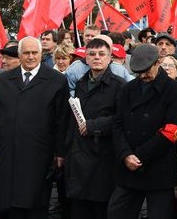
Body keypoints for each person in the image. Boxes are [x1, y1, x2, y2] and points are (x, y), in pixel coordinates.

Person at [0, 36, 69, 219]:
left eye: (34, 53)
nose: (30, 57)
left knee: (36, 203)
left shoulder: (56, 80)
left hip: (40, 154)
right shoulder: (3, 80)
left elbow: (62, 121)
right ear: (20, 55)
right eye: (26, 53)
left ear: (41, 54)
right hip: (9, 153)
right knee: (9, 203)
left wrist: (60, 152)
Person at [108, 44, 177, 218]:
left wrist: (141, 156)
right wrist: (126, 154)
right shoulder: (128, 89)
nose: (143, 75)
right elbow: (117, 123)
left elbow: (171, 130)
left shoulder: (174, 91)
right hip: (129, 167)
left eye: (146, 70)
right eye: (138, 71)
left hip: (158, 167)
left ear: (157, 62)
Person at [65, 37, 126, 219]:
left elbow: (122, 119)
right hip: (79, 157)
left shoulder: (119, 85)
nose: (97, 57)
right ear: (86, 59)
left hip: (104, 157)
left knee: (101, 209)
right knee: (79, 209)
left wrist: (93, 126)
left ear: (109, 58)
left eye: (102, 54)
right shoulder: (81, 83)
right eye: (92, 54)